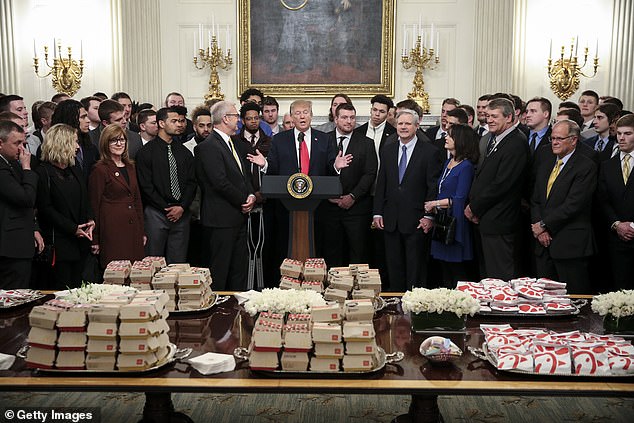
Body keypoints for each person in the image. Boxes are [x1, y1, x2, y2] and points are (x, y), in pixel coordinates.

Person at [373, 109, 442, 290]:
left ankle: (413, 309)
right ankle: (395, 307)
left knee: (415, 268)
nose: (403, 127)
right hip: (391, 219)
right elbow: (382, 183)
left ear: (417, 126)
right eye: (400, 123)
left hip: (417, 221)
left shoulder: (430, 152)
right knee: (394, 267)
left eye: (408, 124)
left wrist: (429, 216)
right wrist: (377, 212)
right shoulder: (387, 151)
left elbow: (432, 186)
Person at [465, 98, 529, 280]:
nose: (489, 120)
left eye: (494, 116)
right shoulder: (493, 139)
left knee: (500, 276)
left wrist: (474, 207)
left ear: (509, 117)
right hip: (487, 218)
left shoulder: (516, 142)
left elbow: (502, 184)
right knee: (487, 275)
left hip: (500, 219)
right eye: (487, 116)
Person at [530, 120, 597, 294]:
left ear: (574, 140)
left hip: (570, 244)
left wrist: (544, 225)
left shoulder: (586, 166)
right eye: (552, 138)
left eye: (560, 138)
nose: (555, 142)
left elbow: (574, 204)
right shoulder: (546, 163)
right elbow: (536, 200)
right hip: (543, 243)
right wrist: (540, 228)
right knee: (544, 298)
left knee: (575, 298)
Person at [195, 101, 255, 290]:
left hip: (238, 216)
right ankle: (218, 315)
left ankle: (237, 309)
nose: (239, 120)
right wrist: (243, 200)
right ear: (225, 118)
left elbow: (243, 176)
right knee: (220, 270)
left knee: (239, 268)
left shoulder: (233, 143)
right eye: (236, 116)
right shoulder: (208, 146)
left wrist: (252, 195)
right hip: (220, 219)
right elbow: (219, 182)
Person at [35, 123, 95, 289]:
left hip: (80, 243)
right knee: (61, 291)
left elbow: (85, 198)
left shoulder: (74, 169)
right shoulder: (43, 172)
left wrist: (90, 219)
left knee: (79, 289)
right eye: (74, 142)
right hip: (59, 244)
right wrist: (72, 228)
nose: (77, 147)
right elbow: (45, 209)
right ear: (62, 143)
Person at [319, 103, 377, 267]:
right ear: (335, 119)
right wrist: (327, 194)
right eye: (344, 117)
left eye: (352, 118)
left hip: (356, 209)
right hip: (328, 208)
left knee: (357, 254)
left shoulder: (366, 143)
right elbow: (317, 170)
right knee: (331, 254)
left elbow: (370, 174)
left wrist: (353, 197)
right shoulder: (323, 140)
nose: (349, 121)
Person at [136, 106, 196, 264]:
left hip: (181, 214)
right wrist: (166, 208)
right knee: (153, 262)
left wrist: (182, 207)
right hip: (156, 212)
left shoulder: (184, 152)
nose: (179, 125)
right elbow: (146, 186)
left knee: (178, 263)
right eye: (174, 121)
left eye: (181, 121)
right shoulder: (146, 152)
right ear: (161, 123)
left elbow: (192, 182)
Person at [424, 124, 479, 286]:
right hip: (442, 221)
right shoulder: (450, 161)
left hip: (455, 224)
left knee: (456, 270)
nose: (445, 138)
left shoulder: (466, 166)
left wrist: (435, 203)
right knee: (444, 269)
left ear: (460, 140)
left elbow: (460, 198)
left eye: (450, 136)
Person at [88, 124, 145, 269]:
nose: (119, 144)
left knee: (135, 271)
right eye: (114, 140)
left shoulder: (130, 166)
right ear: (105, 144)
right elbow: (94, 205)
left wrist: (141, 231)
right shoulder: (100, 170)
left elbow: (137, 199)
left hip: (133, 229)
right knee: (116, 272)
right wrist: (95, 238)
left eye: (122, 140)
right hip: (112, 230)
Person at [0, 121, 42, 289]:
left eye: (24, 143)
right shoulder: (3, 168)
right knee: (14, 295)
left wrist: (34, 227)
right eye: (16, 143)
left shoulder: (11, 163)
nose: (22, 149)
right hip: (10, 246)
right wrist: (27, 168)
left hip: (20, 241)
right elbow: (25, 198)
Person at [597, 114, 634, 290]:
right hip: (613, 239)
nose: (621, 138)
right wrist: (617, 224)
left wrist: (632, 226)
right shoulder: (607, 165)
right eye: (619, 133)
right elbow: (602, 200)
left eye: (627, 133)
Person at [50, 99, 99, 183]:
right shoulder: (52, 148)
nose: (88, 120)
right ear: (70, 119)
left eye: (86, 116)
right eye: (82, 117)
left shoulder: (91, 147)